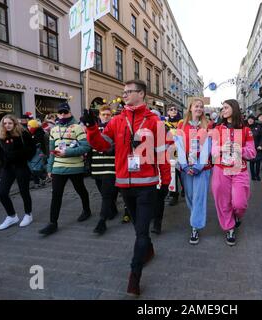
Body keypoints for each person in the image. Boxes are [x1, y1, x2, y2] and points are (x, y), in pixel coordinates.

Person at [82, 80, 167, 297]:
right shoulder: (117, 120)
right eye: (124, 92)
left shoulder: (154, 121)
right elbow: (102, 146)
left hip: (147, 184)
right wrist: (92, 128)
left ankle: (134, 275)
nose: (125, 95)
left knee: (140, 231)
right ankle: (147, 250)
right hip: (124, 184)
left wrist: (165, 182)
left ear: (141, 94)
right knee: (139, 229)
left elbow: (161, 153)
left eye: (129, 92)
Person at [39, 102, 92, 236]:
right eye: (60, 112)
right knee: (56, 195)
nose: (63, 115)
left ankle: (87, 210)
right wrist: (49, 168)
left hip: (75, 167)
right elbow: (51, 151)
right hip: (58, 168)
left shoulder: (77, 128)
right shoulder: (54, 129)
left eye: (65, 112)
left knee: (80, 190)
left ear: (70, 112)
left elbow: (86, 147)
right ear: (57, 114)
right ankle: (53, 223)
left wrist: (67, 152)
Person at [211, 99, 256, 246]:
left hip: (239, 169)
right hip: (221, 169)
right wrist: (221, 149)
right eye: (222, 108)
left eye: (226, 107)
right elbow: (213, 151)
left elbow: (252, 153)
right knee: (223, 201)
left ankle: (236, 216)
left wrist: (240, 150)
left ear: (234, 109)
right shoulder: (218, 129)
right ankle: (229, 227)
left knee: (240, 203)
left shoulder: (245, 129)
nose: (223, 110)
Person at [175, 98, 212, 245]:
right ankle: (195, 217)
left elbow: (207, 147)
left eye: (201, 107)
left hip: (202, 168)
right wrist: (184, 166)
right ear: (190, 108)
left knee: (199, 197)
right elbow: (179, 145)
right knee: (190, 196)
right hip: (186, 168)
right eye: (196, 106)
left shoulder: (208, 125)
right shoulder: (181, 124)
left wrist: (198, 167)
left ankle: (195, 227)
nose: (199, 108)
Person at [0, 115, 36, 230]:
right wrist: (5, 158)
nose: (7, 125)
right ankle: (11, 216)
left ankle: (28, 214)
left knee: (24, 192)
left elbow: (31, 150)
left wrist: (17, 155)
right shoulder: (1, 136)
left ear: (14, 124)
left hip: (21, 166)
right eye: (5, 123)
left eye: (9, 123)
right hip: (8, 168)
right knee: (2, 193)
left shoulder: (23, 134)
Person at [90, 105, 119, 235]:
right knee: (104, 193)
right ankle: (112, 209)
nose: (106, 116)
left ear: (111, 116)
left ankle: (102, 221)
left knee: (107, 194)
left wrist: (109, 149)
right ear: (99, 115)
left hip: (110, 166)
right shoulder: (93, 128)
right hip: (96, 166)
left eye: (108, 114)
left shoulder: (114, 128)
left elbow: (118, 145)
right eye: (103, 114)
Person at [163, 105, 182, 207]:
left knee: (182, 172)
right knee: (173, 174)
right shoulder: (164, 125)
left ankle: (184, 189)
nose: (173, 111)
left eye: (175, 109)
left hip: (182, 151)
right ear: (168, 113)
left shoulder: (182, 123)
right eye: (171, 109)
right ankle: (174, 195)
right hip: (170, 152)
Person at [27, 119, 47, 188]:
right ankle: (37, 183)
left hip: (39, 153)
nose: (28, 127)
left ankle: (43, 178)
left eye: (29, 125)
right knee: (33, 168)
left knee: (36, 168)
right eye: (28, 125)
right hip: (32, 153)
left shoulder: (39, 132)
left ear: (33, 126)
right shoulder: (29, 133)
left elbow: (39, 143)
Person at [247, 115, 262, 180]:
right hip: (250, 148)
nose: (250, 120)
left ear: (254, 120)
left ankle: (257, 175)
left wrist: (260, 145)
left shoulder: (258, 127)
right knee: (252, 162)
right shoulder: (246, 127)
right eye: (249, 119)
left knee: (258, 162)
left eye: (251, 119)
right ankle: (253, 175)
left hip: (257, 147)